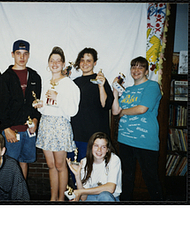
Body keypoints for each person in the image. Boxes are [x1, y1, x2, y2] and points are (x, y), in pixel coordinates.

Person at [112, 56, 163, 201]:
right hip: (125, 140)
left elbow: (141, 109)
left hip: (145, 141)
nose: (136, 70)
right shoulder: (127, 90)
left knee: (151, 179)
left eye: (140, 67)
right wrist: (115, 92)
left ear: (146, 71)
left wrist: (123, 112)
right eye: (133, 66)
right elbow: (115, 111)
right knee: (126, 179)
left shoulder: (152, 86)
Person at [35, 46, 80, 201]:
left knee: (60, 166)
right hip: (46, 125)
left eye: (58, 61)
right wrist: (40, 105)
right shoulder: (46, 82)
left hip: (60, 126)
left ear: (63, 64)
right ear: (48, 63)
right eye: (52, 60)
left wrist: (58, 97)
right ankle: (53, 198)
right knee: (51, 165)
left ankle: (61, 200)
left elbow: (73, 110)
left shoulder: (69, 84)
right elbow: (46, 106)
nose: (54, 64)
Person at [0, 39, 41, 179]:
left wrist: (35, 120)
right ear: (12, 54)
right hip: (11, 131)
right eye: (18, 53)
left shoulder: (34, 76)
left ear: (29, 55)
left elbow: (36, 104)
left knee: (24, 163)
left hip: (28, 131)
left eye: (25, 53)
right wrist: (6, 128)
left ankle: (20, 196)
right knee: (9, 165)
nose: (22, 57)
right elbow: (0, 105)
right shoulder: (5, 78)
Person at [69, 48, 114, 183]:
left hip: (95, 137)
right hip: (76, 135)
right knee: (76, 172)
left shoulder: (101, 80)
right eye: (82, 60)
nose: (85, 63)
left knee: (95, 173)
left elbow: (106, 105)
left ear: (95, 63)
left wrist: (101, 86)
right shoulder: (75, 82)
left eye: (89, 60)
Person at [66, 132, 122, 201]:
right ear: (91, 147)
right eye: (96, 146)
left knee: (105, 196)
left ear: (108, 149)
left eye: (103, 147)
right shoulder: (84, 162)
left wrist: (81, 191)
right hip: (90, 197)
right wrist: (77, 176)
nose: (99, 150)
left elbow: (110, 188)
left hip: (110, 198)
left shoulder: (114, 159)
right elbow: (83, 198)